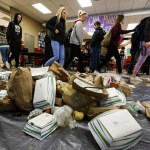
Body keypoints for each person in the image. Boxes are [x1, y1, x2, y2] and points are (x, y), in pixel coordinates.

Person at [131, 17, 150, 82]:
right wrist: (147, 40)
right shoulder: (149, 20)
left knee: (140, 60)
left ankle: (133, 76)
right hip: (147, 42)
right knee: (140, 60)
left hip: (142, 42)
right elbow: (147, 30)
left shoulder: (143, 23)